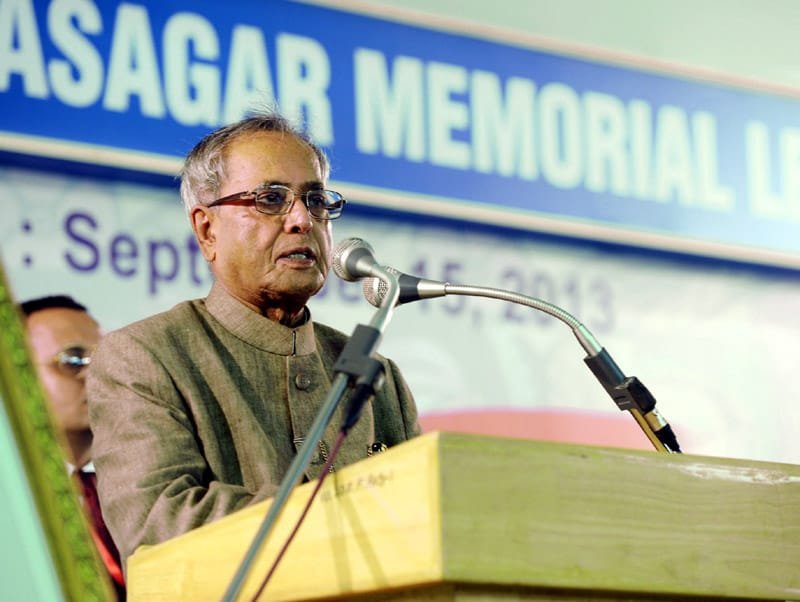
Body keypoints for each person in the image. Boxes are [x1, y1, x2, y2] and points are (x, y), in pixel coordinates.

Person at [86, 109, 421, 568]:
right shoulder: (147, 357)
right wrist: (356, 519)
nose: (302, 219)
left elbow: (423, 528)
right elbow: (159, 525)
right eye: (270, 199)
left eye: (316, 200)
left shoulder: (375, 374)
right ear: (207, 230)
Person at [21, 295, 126, 600]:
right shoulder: (15, 499)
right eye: (72, 360)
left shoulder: (148, 477)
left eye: (104, 359)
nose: (95, 375)